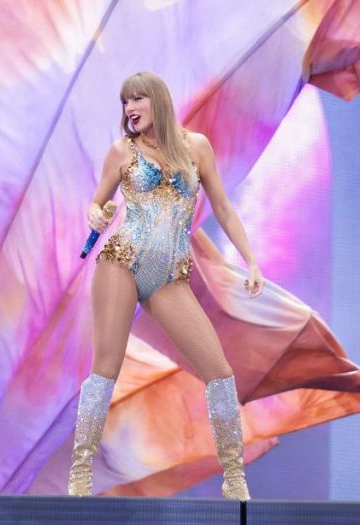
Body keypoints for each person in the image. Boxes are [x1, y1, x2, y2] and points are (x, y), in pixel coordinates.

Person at [68, 71, 264, 501]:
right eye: (124, 102)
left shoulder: (197, 148)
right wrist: (95, 215)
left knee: (220, 372)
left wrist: (250, 259)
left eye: (137, 99)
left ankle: (234, 478)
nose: (129, 109)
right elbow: (97, 203)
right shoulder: (122, 152)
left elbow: (224, 209)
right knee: (107, 367)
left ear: (158, 100)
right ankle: (80, 473)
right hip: (122, 261)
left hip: (169, 276)